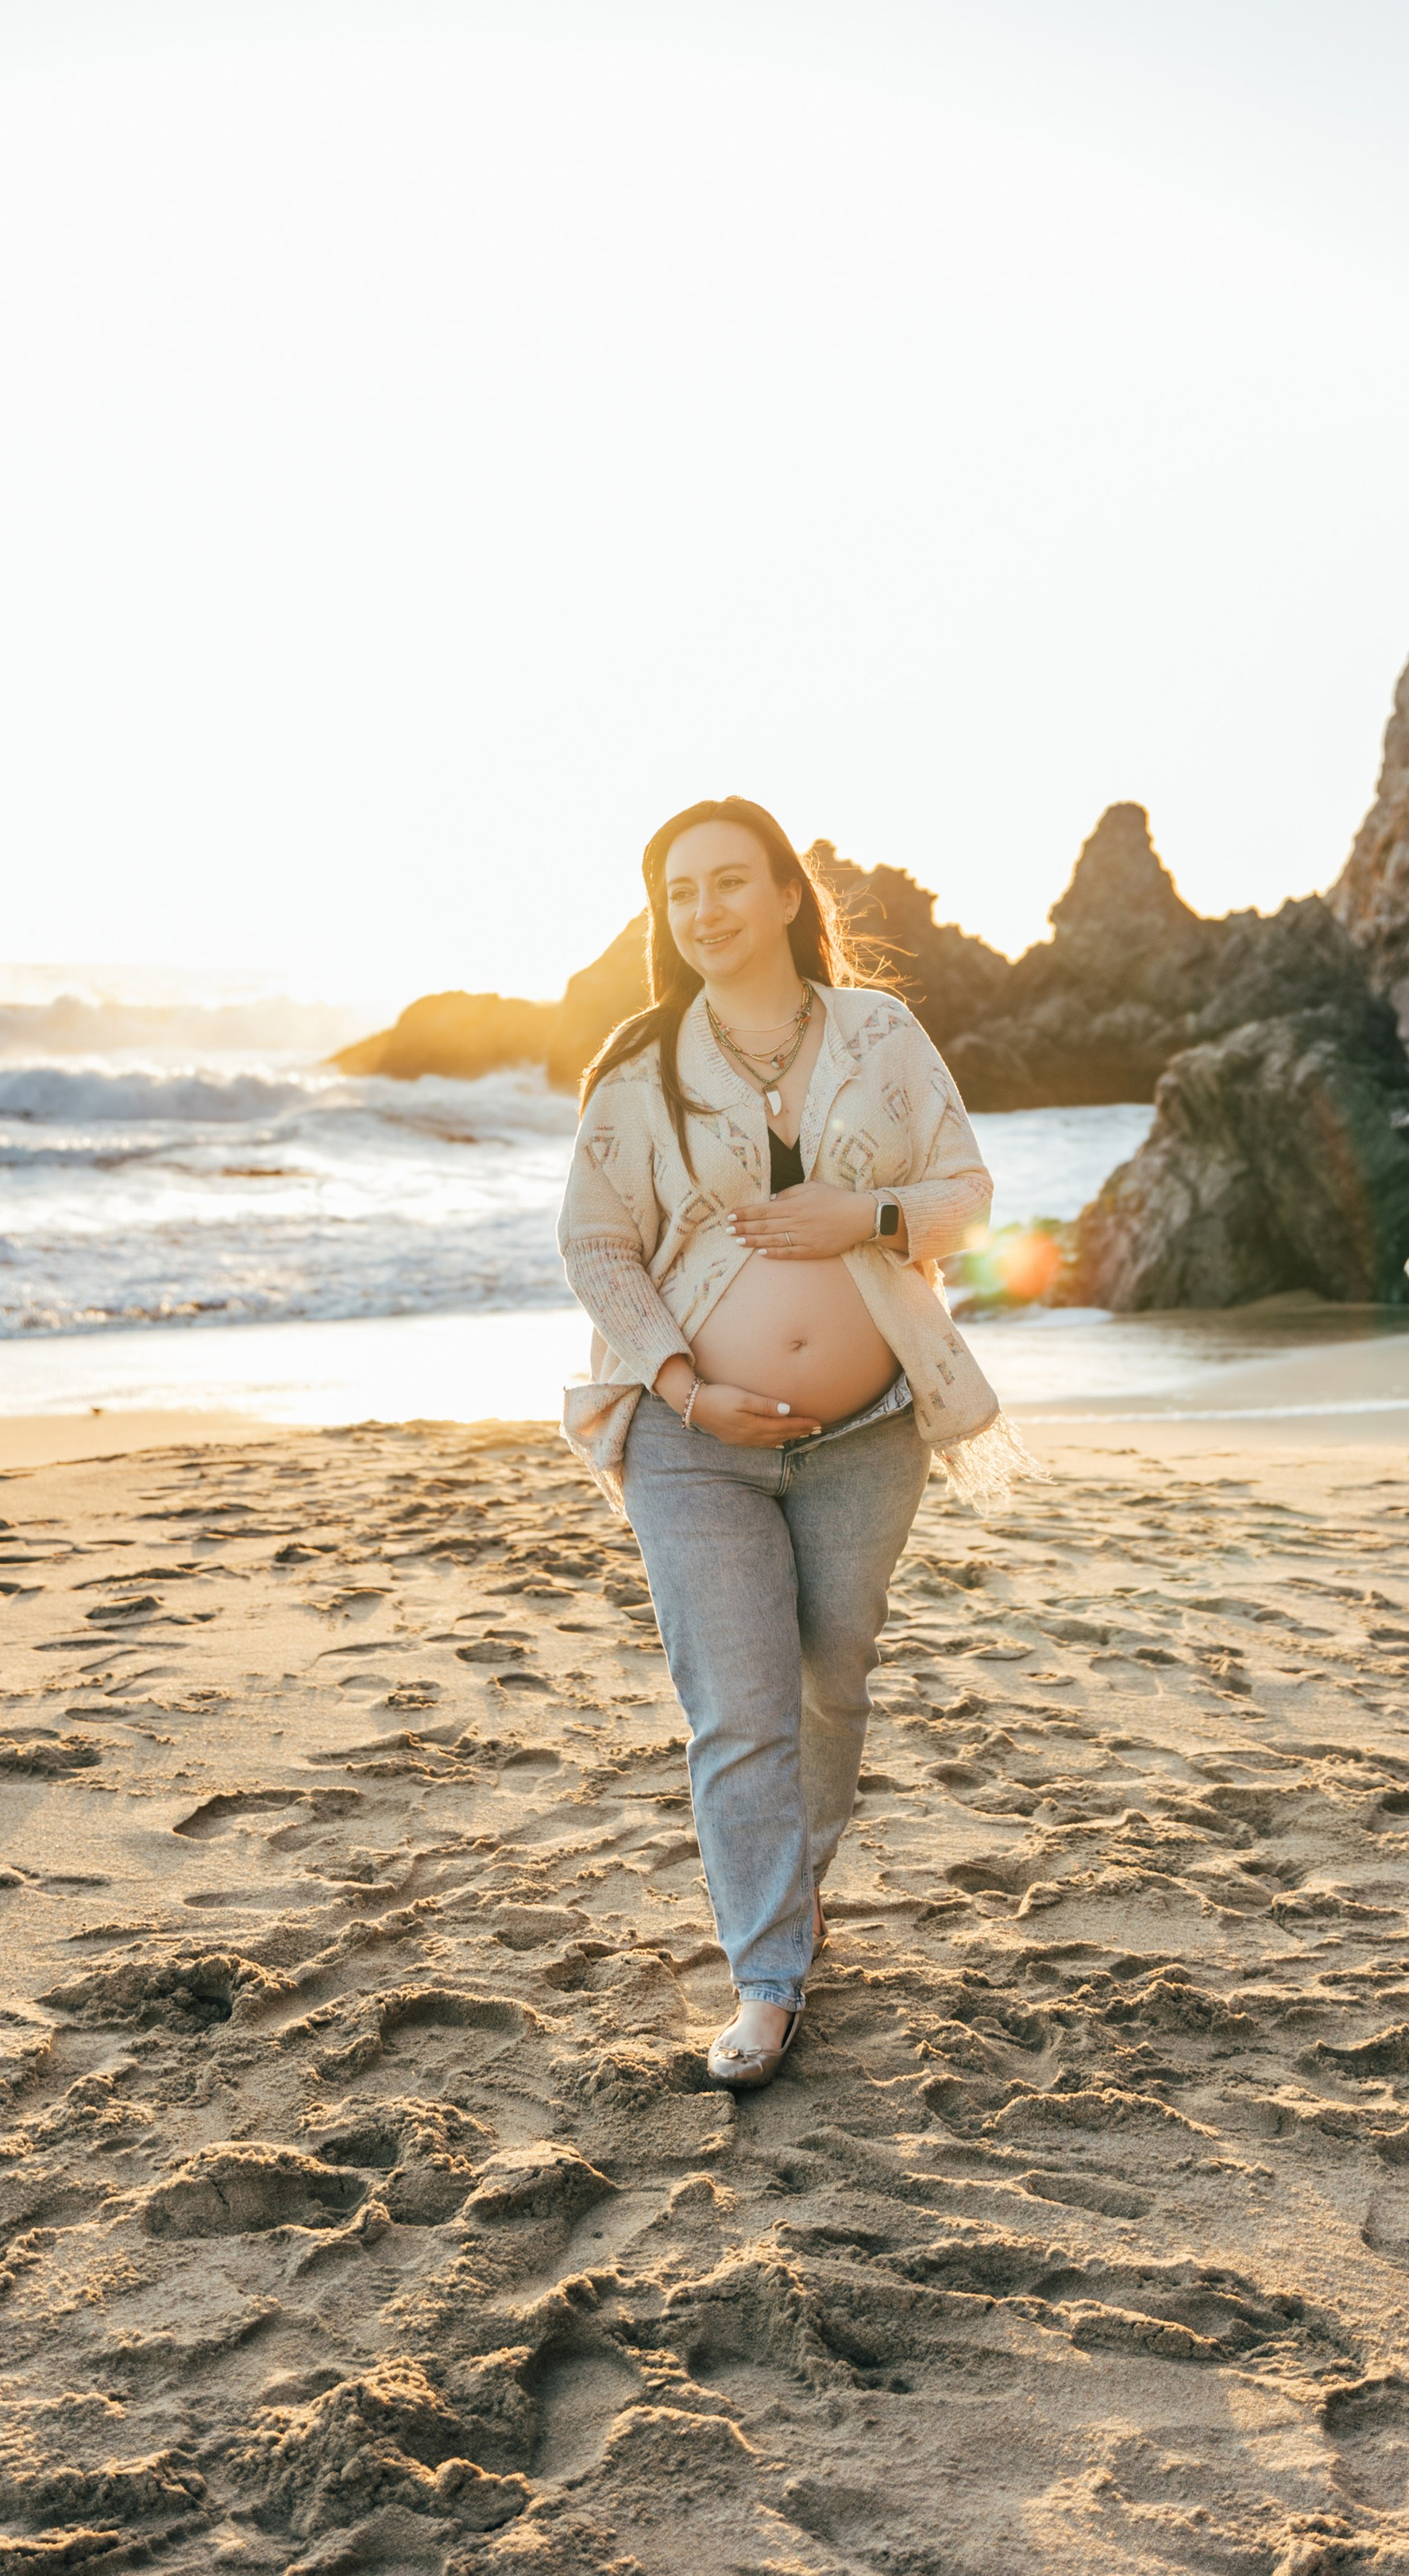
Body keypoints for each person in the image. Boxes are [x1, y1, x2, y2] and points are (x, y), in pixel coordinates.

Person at [558, 797, 1018, 2090]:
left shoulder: (881, 1034)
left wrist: (865, 1217)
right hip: (689, 1439)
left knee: (830, 1685)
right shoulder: (641, 1067)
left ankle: (795, 1892)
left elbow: (968, 1197)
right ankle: (766, 1980)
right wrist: (684, 1388)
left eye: (727, 882)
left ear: (783, 895)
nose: (702, 911)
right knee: (738, 1706)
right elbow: (596, 1244)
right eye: (678, 892)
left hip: (869, 1435)